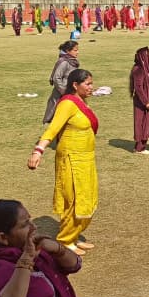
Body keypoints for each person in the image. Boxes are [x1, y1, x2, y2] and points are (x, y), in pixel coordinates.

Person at [29, 69, 99, 255]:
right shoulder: (67, 104)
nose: (91, 87)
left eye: (91, 83)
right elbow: (52, 129)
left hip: (86, 159)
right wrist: (38, 150)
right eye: (87, 84)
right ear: (75, 85)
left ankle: (74, 236)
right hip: (71, 159)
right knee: (73, 199)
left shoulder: (81, 102)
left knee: (86, 196)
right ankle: (66, 241)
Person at [44, 41, 80, 124]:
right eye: (75, 50)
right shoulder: (64, 62)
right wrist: (64, 91)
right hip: (61, 94)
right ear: (68, 51)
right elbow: (56, 78)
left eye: (77, 50)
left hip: (70, 92)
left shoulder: (72, 61)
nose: (77, 52)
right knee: (58, 116)